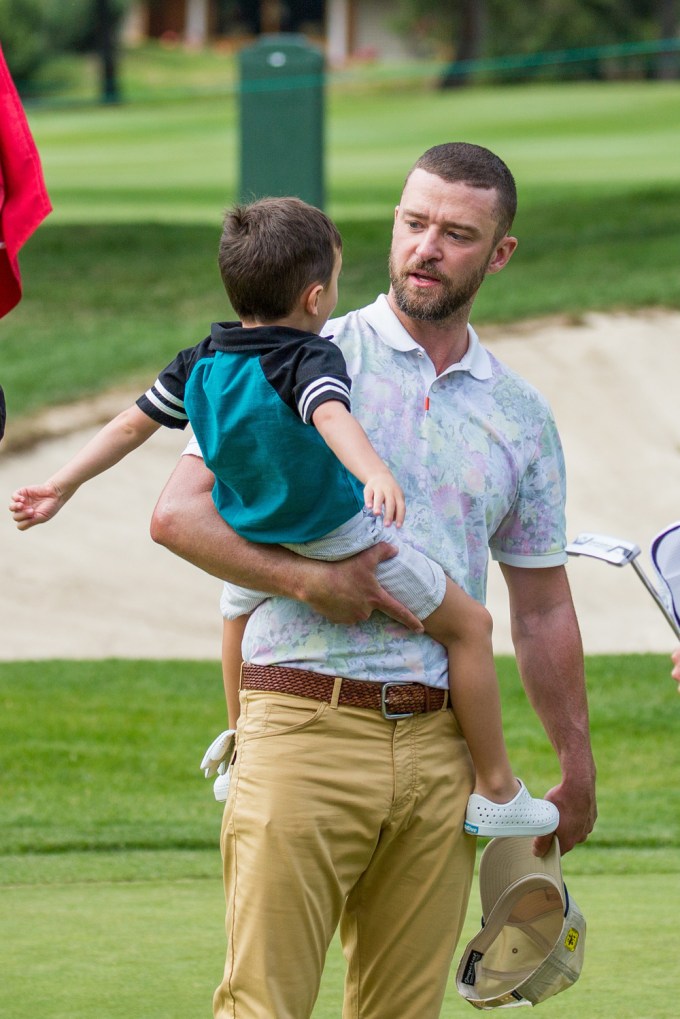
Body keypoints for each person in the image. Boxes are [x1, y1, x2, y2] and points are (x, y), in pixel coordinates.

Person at [150, 142, 597, 1019]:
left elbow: (542, 608)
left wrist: (576, 764)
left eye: (456, 233)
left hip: (441, 755)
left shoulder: (520, 414)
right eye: (413, 222)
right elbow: (177, 514)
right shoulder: (298, 350)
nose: (426, 247)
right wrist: (307, 581)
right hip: (302, 725)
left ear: (498, 253)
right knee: (262, 1008)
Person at [9, 195, 557, 837]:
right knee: (469, 626)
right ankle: (495, 787)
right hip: (335, 537)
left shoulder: (200, 362)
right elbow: (331, 416)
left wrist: (59, 485)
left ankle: (241, 743)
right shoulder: (309, 355)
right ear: (316, 298)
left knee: (234, 612)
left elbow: (130, 427)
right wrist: (374, 472)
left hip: (255, 534)